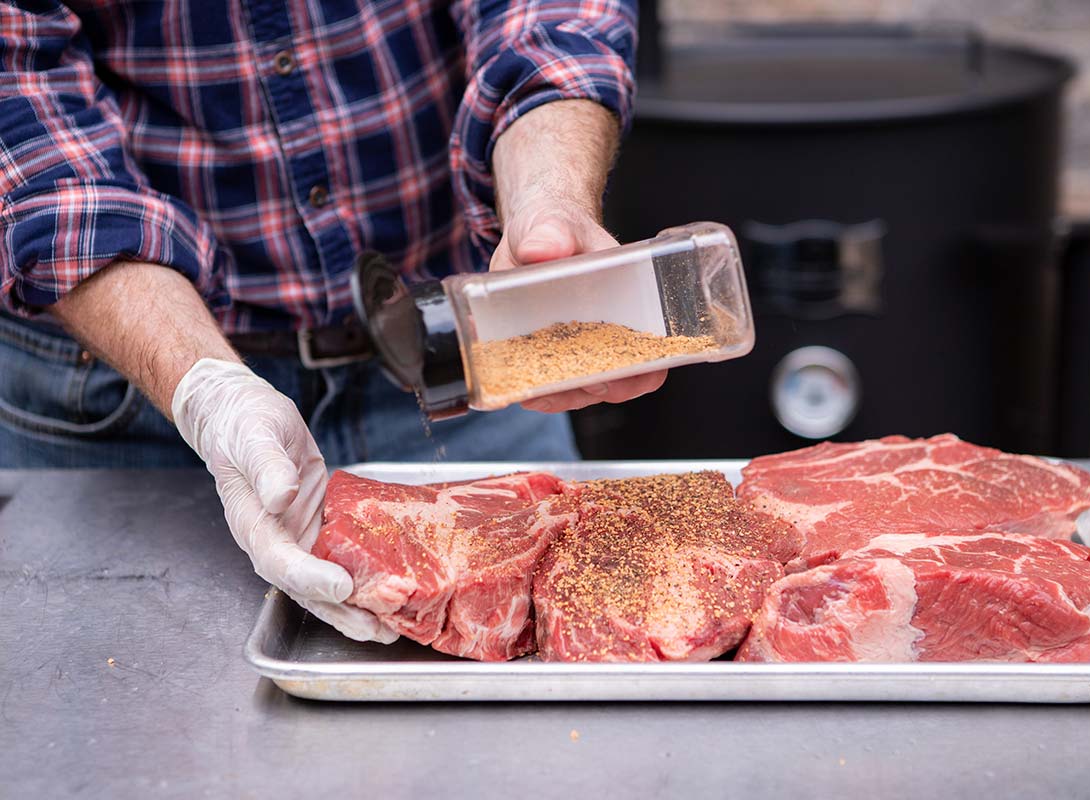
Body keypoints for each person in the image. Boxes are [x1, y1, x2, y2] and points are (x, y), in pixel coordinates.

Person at [0, 0, 662, 642]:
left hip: (462, 346)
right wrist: (205, 390)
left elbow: (544, 13)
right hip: (126, 402)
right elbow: (32, 133)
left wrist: (546, 201)